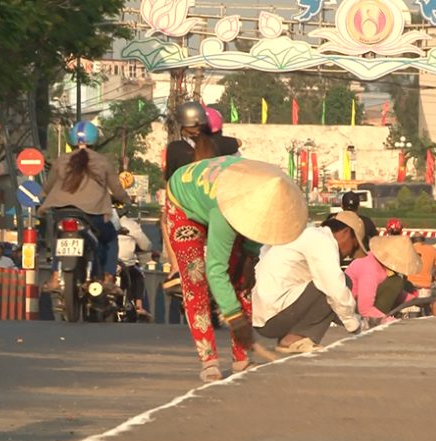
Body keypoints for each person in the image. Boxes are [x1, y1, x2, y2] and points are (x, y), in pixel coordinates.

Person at [166, 156, 307, 381]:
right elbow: (215, 270)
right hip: (185, 203)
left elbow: (259, 230)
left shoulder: (265, 195)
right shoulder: (225, 212)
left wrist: (250, 257)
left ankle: (241, 359)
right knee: (196, 278)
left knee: (243, 281)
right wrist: (235, 318)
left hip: (224, 198)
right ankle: (208, 359)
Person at [252, 212, 365, 354]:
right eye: (353, 247)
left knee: (333, 287)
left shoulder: (309, 234)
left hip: (266, 315)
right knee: (338, 282)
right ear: (346, 233)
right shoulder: (322, 241)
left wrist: (357, 318)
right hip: (273, 315)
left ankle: (291, 336)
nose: (349, 255)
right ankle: (294, 339)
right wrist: (353, 325)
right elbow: (334, 288)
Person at [40, 121, 131, 293]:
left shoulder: (61, 160)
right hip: (92, 214)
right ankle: (108, 279)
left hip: (62, 213)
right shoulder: (103, 161)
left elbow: (48, 187)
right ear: (94, 140)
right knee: (111, 239)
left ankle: (54, 278)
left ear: (72, 140)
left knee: (60, 240)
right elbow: (117, 190)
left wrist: (43, 196)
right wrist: (126, 200)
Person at [162, 102, 236, 294]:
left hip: (188, 209)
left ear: (182, 124)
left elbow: (169, 181)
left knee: (165, 220)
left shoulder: (175, 148)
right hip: (216, 207)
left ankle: (176, 268)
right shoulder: (220, 146)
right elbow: (237, 143)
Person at [345, 235, 421, 326]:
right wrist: (387, 320)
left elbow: (396, 294)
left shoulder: (379, 265)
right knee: (395, 282)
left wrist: (415, 300)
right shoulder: (370, 268)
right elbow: (365, 309)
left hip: (357, 304)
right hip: (350, 309)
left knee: (399, 282)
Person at [117, 212, 152, 318]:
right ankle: (138, 305)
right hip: (125, 265)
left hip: (104, 264)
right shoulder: (130, 224)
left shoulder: (99, 221)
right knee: (139, 275)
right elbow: (146, 245)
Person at [407, 233, 436, 316]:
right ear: (423, 240)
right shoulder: (431, 249)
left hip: (409, 285)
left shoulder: (406, 249)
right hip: (426, 285)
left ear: (411, 241)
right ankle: (435, 317)